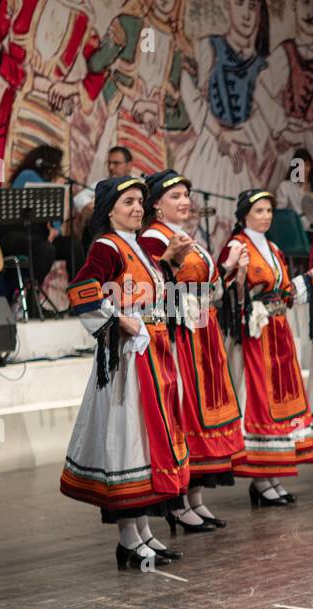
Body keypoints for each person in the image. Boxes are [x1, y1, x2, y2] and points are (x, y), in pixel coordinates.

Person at [60, 176, 190, 568]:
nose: (137, 208)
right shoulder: (106, 246)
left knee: (146, 442)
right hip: (128, 364)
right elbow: (81, 290)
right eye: (129, 202)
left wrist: (168, 264)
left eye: (140, 202)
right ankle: (128, 539)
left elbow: (147, 291)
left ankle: (144, 533)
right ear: (110, 209)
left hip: (151, 356)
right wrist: (118, 319)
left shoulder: (136, 246)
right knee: (129, 441)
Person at [139, 169, 247, 529]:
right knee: (184, 413)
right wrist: (167, 262)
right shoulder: (153, 240)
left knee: (202, 414)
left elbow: (210, 283)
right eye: (175, 196)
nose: (184, 201)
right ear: (156, 205)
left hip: (204, 334)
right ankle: (178, 501)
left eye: (186, 194)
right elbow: (153, 289)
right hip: (181, 337)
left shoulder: (185, 237)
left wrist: (228, 269)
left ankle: (195, 498)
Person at [225, 188, 313, 504]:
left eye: (269, 210)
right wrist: (235, 275)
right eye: (259, 211)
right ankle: (261, 478)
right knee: (261, 398)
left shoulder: (274, 248)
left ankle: (273, 475)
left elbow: (286, 290)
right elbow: (226, 292)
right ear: (244, 215)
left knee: (281, 397)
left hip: (278, 332)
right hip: (256, 335)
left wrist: (310, 278)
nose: (266, 216)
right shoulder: (238, 246)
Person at [0, 145, 85, 307]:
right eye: (56, 164)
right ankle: (29, 298)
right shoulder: (28, 175)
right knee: (45, 249)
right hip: (14, 234)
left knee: (73, 245)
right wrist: (57, 186)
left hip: (38, 236)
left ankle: (78, 299)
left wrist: (55, 229)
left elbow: (54, 215)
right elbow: (45, 200)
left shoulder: (48, 182)